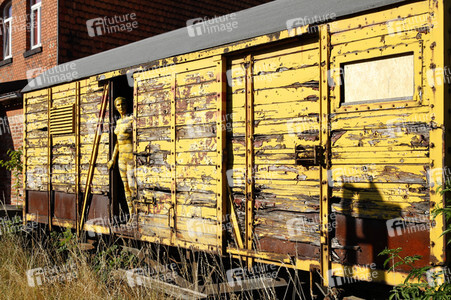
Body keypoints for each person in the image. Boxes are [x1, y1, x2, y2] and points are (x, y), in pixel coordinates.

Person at [107, 97, 136, 221]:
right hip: (121, 159)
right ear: (116, 107)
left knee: (132, 186)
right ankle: (131, 215)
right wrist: (112, 159)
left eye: (123, 104)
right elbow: (118, 143)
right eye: (118, 105)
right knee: (125, 187)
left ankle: (137, 214)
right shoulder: (118, 122)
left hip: (130, 157)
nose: (121, 106)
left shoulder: (132, 119)